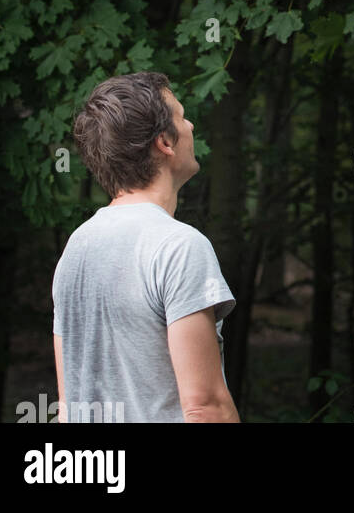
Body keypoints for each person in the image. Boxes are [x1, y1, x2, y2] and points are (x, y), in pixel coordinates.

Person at [52, 71, 239, 423]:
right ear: (165, 142)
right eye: (182, 117)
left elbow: (69, 407)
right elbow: (204, 406)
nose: (192, 126)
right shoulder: (179, 247)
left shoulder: (76, 249)